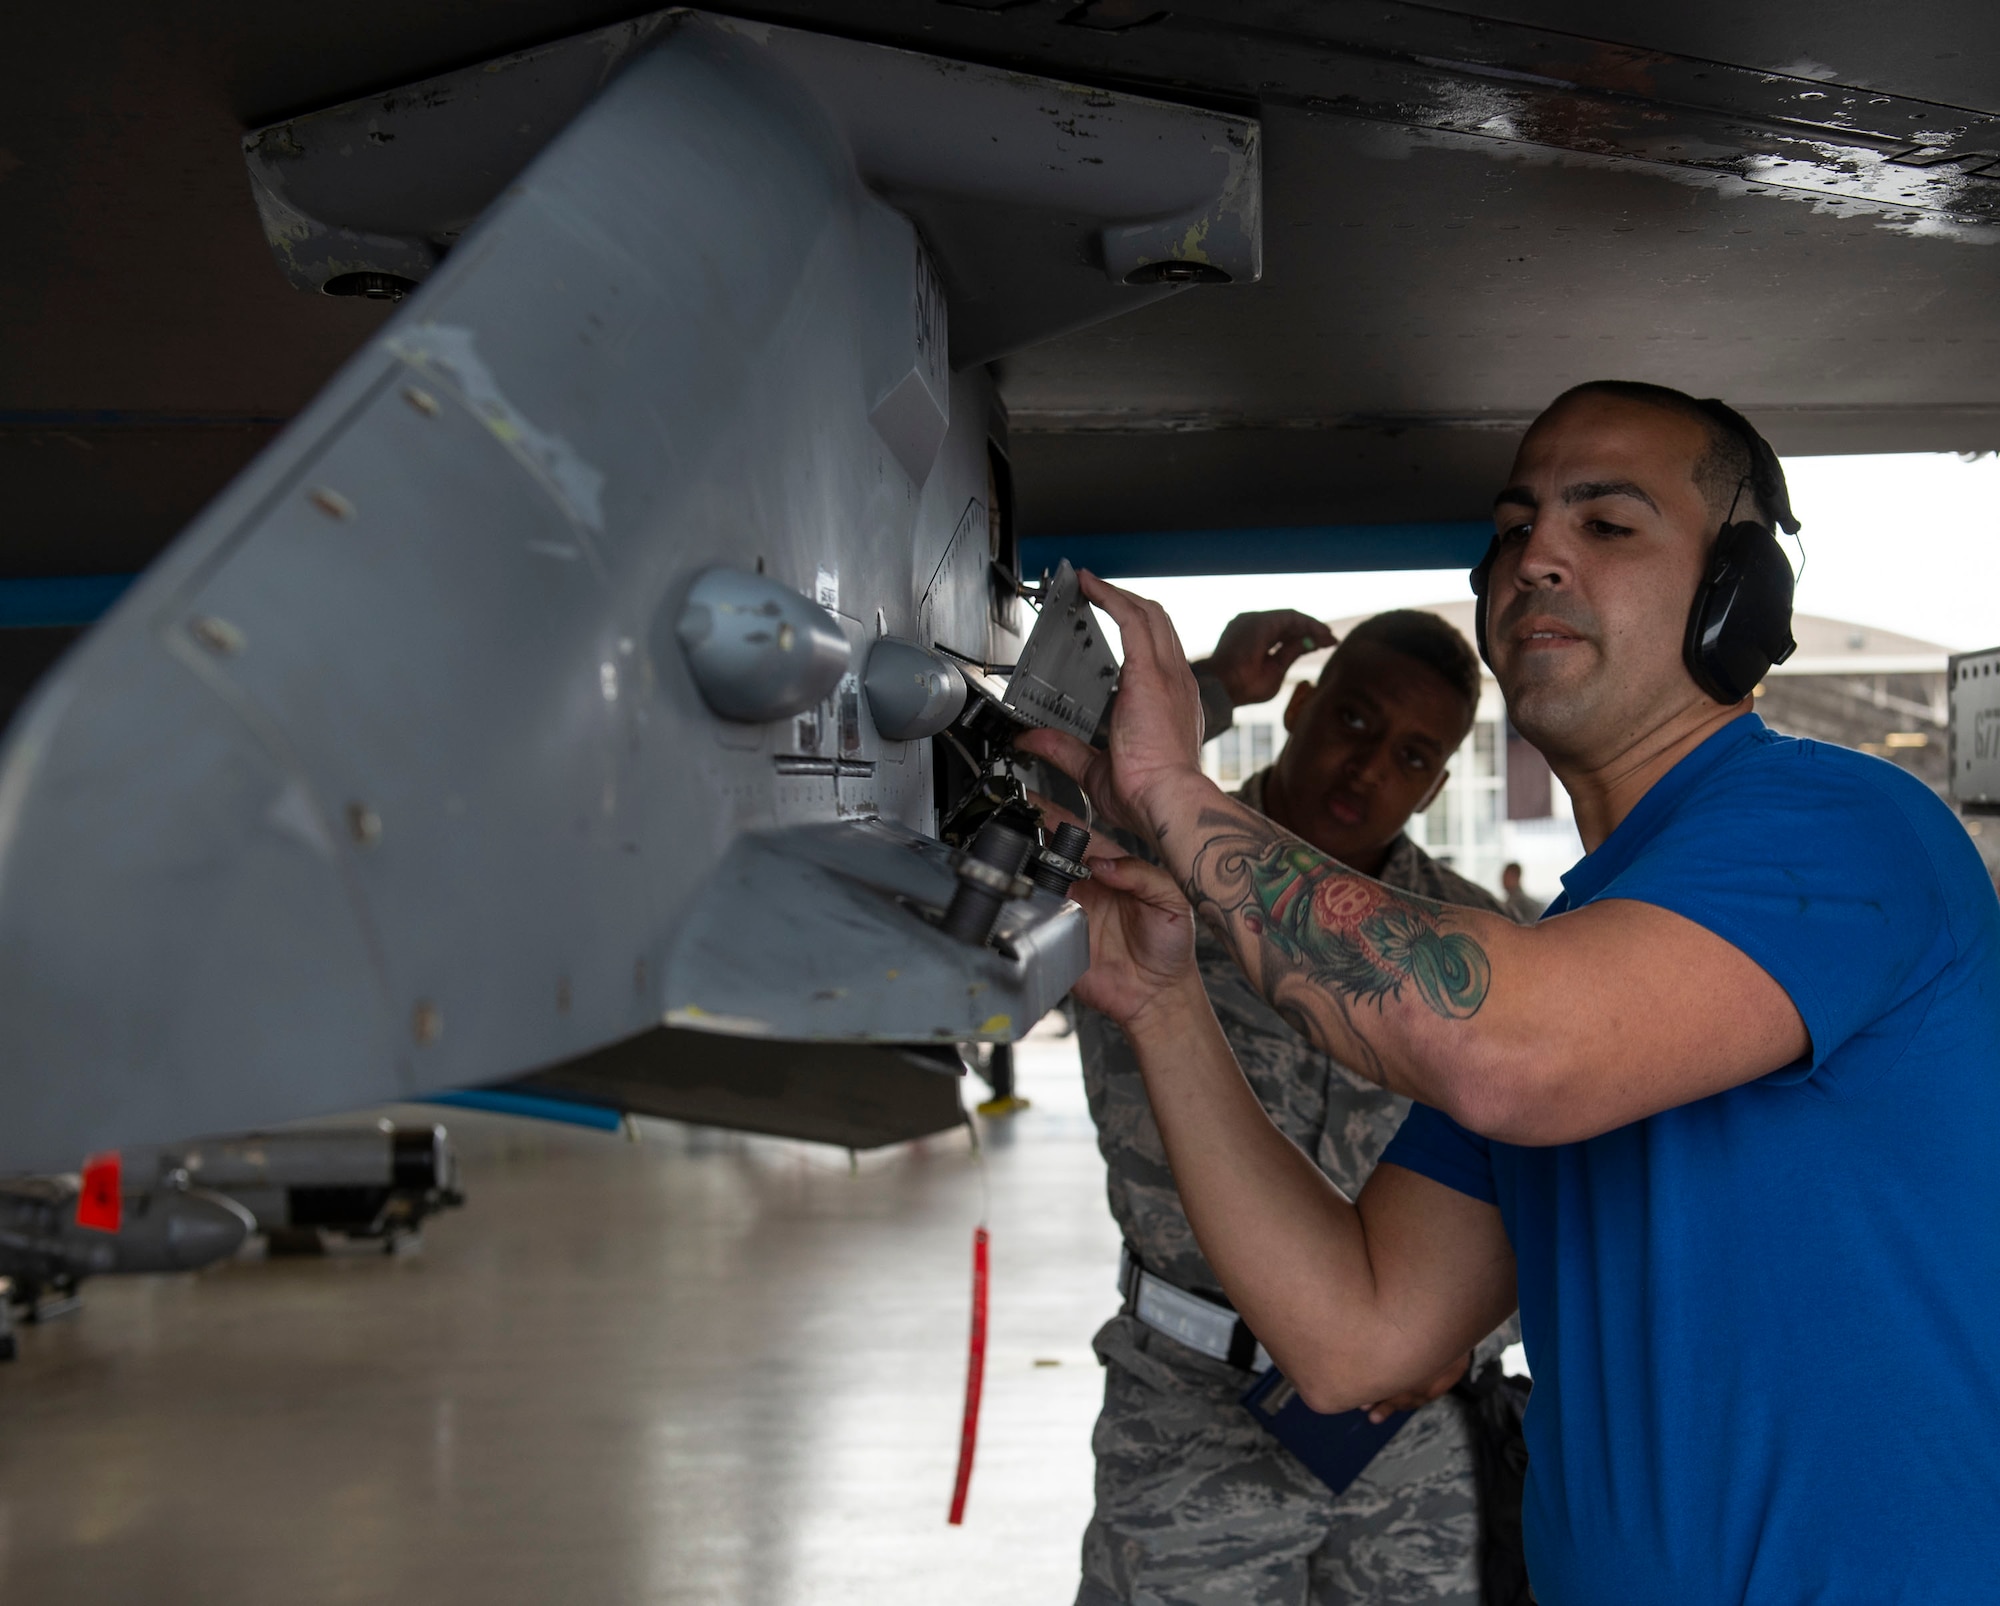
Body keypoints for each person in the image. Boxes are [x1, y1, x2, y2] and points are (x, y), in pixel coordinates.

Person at [1021, 380, 2000, 1603]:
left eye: (1605, 523)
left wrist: (1171, 785)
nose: (1534, 553)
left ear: (1735, 597)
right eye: (1515, 522)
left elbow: (1499, 1050)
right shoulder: (1571, 956)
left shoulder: (1839, 828)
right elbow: (1355, 1334)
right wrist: (1163, 1006)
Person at [1076, 608, 1513, 1606]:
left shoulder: (1474, 943)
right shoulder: (1145, 867)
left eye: (1410, 755)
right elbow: (1044, 775)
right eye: (1353, 722)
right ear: (1302, 706)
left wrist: (1463, 1336)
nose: (1366, 772)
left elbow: (1535, 1171)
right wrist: (1210, 692)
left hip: (1406, 1436)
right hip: (1186, 1413)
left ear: (1436, 783)